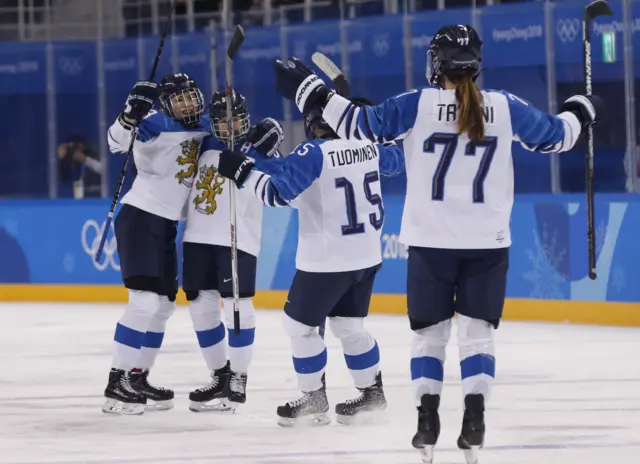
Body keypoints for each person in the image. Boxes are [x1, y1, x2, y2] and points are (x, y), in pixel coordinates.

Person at [271, 25, 603, 462]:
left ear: (436, 63)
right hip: (488, 243)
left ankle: (427, 420)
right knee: (477, 336)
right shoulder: (503, 107)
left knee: (429, 338)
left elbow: (355, 124)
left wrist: (309, 90)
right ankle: (475, 413)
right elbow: (559, 136)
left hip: (430, 245)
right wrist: (583, 109)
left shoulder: (417, 105)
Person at [215, 101, 404, 427]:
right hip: (365, 257)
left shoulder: (314, 153)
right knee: (349, 327)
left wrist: (244, 171)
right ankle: (372, 392)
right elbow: (395, 160)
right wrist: (268, 160)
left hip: (326, 262)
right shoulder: (368, 148)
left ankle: (314, 397)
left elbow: (279, 194)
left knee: (300, 328)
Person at [103, 73, 209, 415]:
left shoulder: (205, 124)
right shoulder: (153, 123)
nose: (187, 103)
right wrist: (129, 114)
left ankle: (137, 376)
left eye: (191, 96)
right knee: (144, 302)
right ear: (166, 103)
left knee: (163, 306)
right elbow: (116, 142)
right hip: (141, 217)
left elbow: (231, 130)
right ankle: (116, 384)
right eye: (179, 99)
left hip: (165, 224)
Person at [182, 89, 285, 412]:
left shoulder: (259, 146)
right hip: (197, 234)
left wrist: (274, 147)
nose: (229, 128)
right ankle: (219, 376)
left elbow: (283, 181)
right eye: (222, 123)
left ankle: (239, 376)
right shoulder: (204, 142)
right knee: (200, 305)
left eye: (235, 121)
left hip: (237, 238)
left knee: (238, 304)